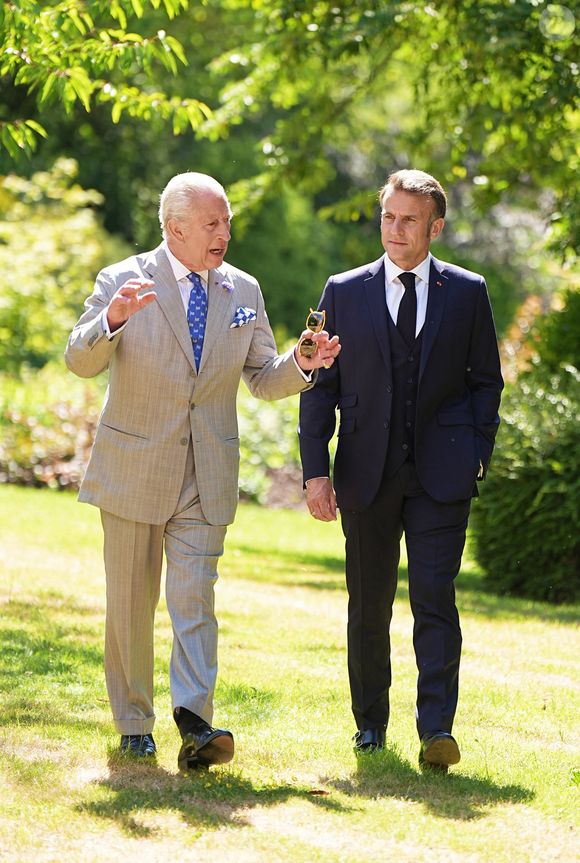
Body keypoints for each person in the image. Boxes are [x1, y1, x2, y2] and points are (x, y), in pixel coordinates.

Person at [65, 171, 340, 770]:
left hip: (206, 471)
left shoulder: (244, 290)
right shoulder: (123, 279)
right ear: (176, 228)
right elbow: (79, 360)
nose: (224, 233)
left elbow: (264, 377)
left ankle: (195, 723)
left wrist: (303, 361)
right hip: (134, 466)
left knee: (195, 601)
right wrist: (110, 321)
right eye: (213, 224)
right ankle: (134, 722)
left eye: (228, 222)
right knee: (130, 606)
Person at [299, 169, 503, 772]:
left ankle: (436, 729)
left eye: (409, 219)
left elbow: (485, 382)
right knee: (368, 605)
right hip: (365, 472)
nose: (395, 228)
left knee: (435, 600)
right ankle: (370, 726)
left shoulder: (467, 291)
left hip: (443, 476)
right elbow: (318, 385)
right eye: (388, 216)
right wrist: (316, 471)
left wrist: (475, 453)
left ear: (435, 227)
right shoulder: (343, 290)